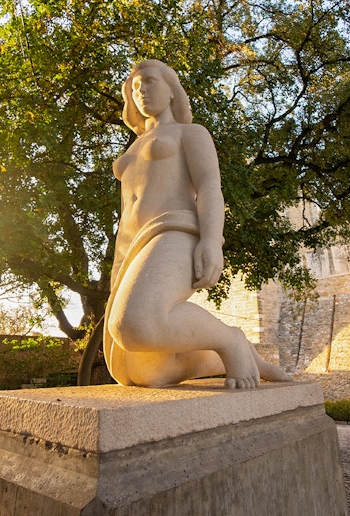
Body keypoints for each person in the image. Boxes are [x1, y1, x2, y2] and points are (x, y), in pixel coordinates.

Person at [103, 59, 292, 389]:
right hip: (131, 248)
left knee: (136, 325)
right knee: (143, 371)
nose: (140, 91)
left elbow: (209, 187)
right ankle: (239, 356)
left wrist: (211, 240)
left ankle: (230, 340)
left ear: (172, 89)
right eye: (134, 88)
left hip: (174, 231)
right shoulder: (133, 147)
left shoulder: (190, 133)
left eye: (148, 81)